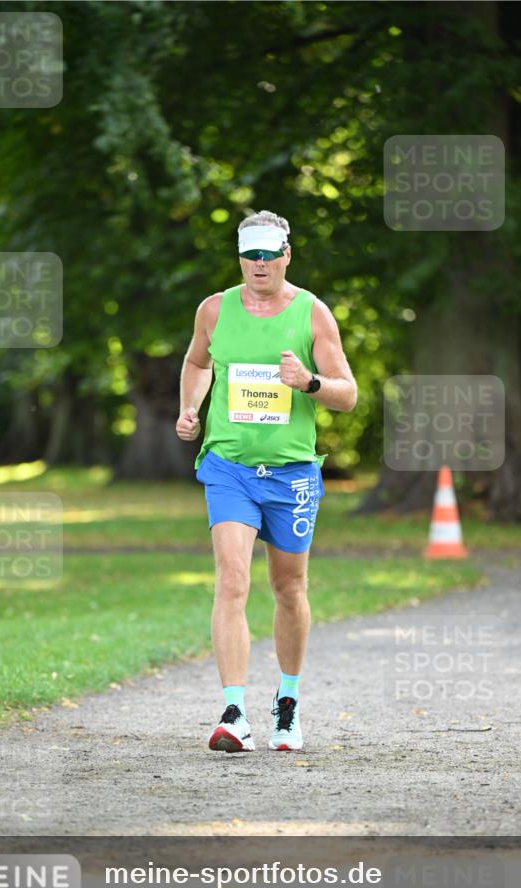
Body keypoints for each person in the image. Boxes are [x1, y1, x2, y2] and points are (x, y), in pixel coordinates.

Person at [176, 210, 357, 753]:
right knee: (232, 581)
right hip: (229, 467)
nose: (258, 264)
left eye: (267, 254)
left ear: (286, 254)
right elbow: (196, 362)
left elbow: (347, 394)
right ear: (239, 257)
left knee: (288, 587)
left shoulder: (312, 313)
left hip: (292, 473)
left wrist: (309, 381)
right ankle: (234, 711)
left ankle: (288, 702)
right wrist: (190, 408)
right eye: (249, 254)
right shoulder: (214, 309)